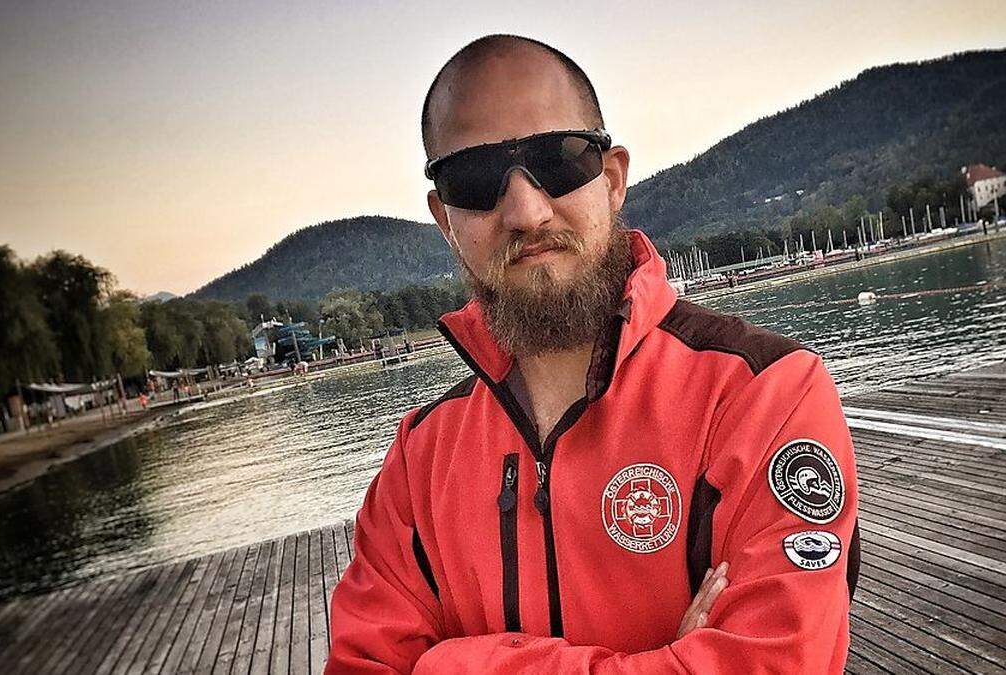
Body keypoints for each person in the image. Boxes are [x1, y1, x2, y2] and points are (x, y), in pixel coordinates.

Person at [327, 34, 859, 674]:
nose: (525, 211)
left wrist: (449, 663)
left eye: (556, 160)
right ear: (445, 218)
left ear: (611, 181)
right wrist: (666, 660)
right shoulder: (418, 464)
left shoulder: (762, 396)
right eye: (474, 178)